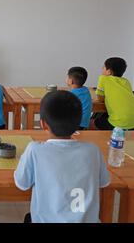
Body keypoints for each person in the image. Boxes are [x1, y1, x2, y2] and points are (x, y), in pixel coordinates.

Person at [14, 91, 110, 223]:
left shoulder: (35, 150)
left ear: (43, 124)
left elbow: (22, 183)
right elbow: (104, 182)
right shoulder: (93, 150)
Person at [90, 57, 134, 130]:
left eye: (103, 67)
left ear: (109, 72)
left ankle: (99, 141)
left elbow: (100, 98)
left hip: (119, 124)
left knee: (91, 123)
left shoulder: (103, 78)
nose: (102, 68)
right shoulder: (126, 81)